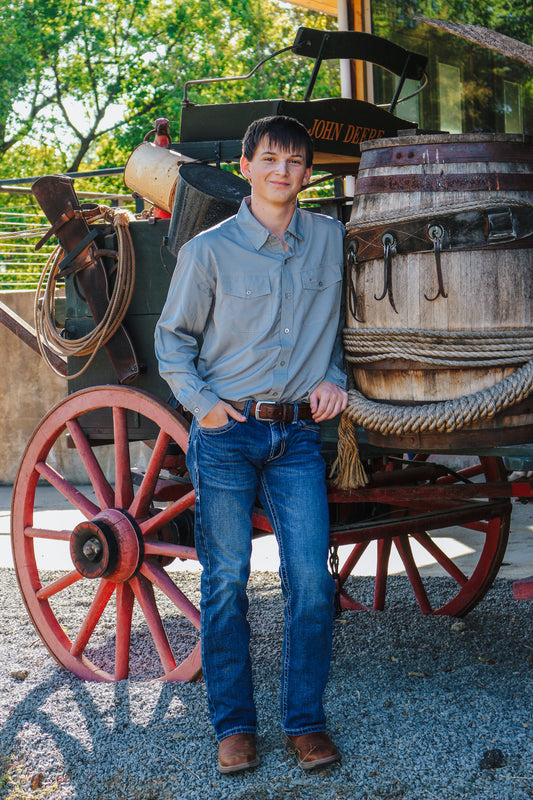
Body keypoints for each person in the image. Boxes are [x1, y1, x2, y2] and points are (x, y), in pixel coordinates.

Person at [155, 115, 348, 774]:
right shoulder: (207, 251)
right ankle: (234, 727)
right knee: (227, 580)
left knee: (311, 583)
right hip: (228, 435)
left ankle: (304, 723)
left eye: (295, 162)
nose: (281, 172)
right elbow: (172, 340)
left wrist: (336, 377)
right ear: (245, 166)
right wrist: (205, 410)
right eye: (269, 158)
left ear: (308, 172)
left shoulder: (330, 240)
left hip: (297, 434)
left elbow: (353, 323)